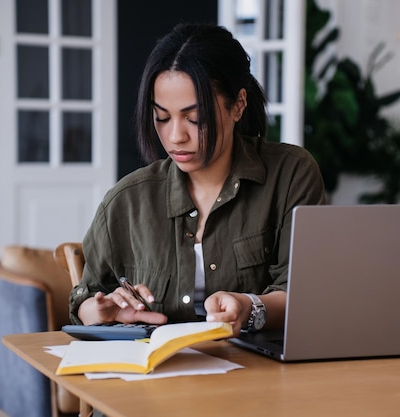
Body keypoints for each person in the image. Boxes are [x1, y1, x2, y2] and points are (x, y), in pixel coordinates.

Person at [69, 22, 326, 337]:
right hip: (155, 379)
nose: (176, 136)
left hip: (259, 375)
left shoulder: (291, 175)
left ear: (238, 105)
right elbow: (84, 298)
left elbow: (304, 293)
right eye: (161, 117)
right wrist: (104, 310)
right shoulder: (127, 201)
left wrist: (251, 307)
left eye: (195, 118)